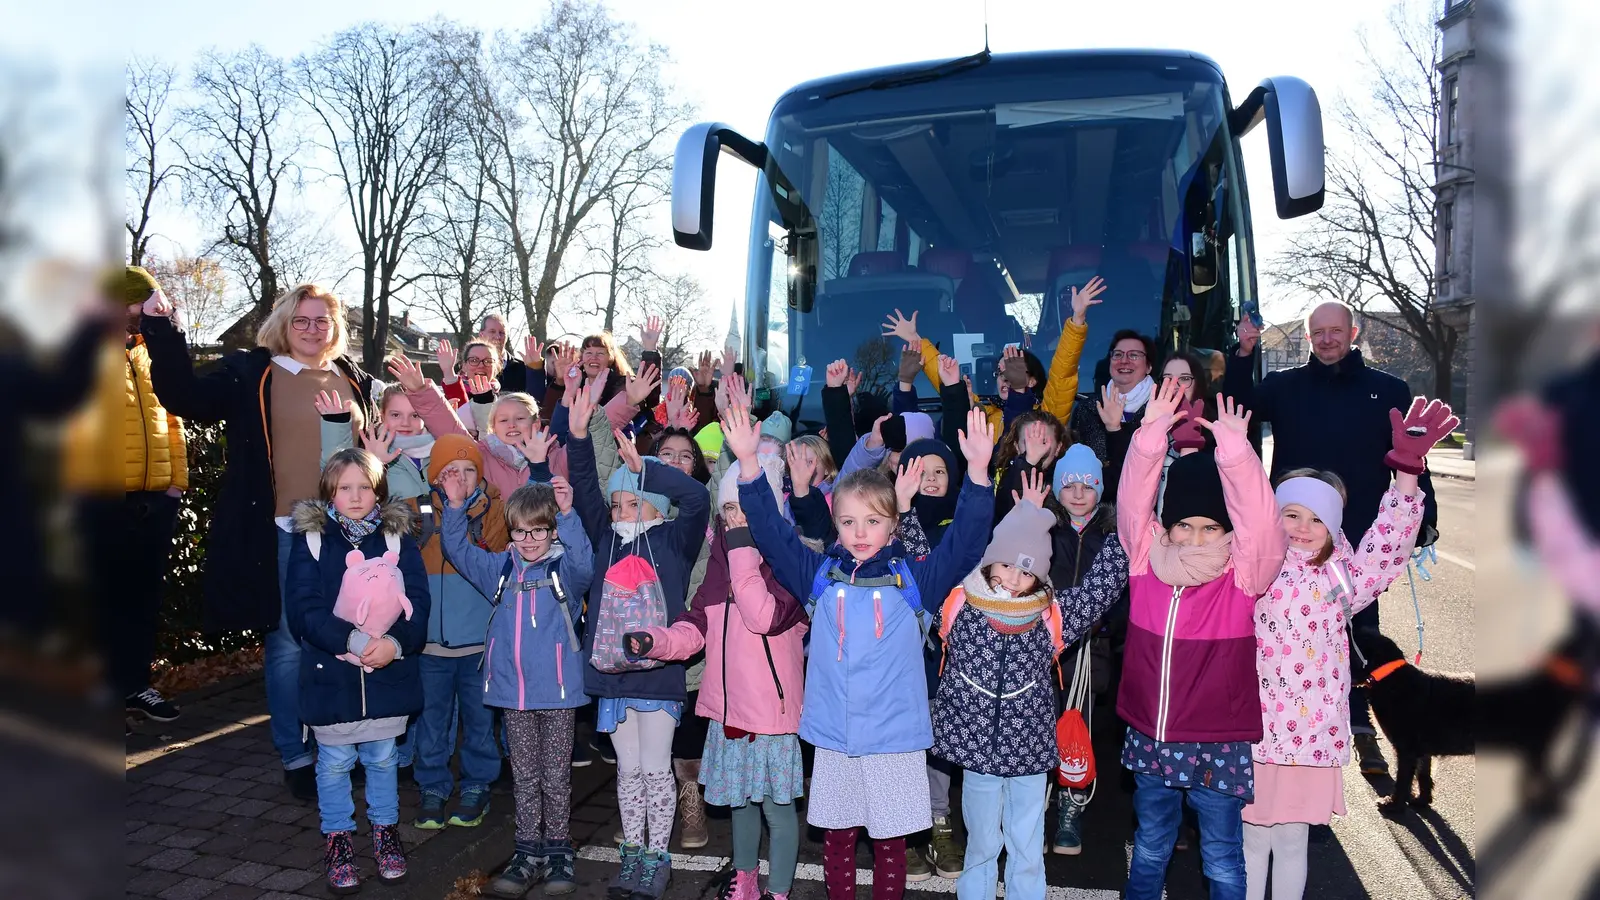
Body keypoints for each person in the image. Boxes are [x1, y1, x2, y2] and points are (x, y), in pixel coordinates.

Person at [728, 404, 997, 900]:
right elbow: (772, 533)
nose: (858, 532)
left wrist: (978, 475)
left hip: (894, 740)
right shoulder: (820, 576)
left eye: (872, 520)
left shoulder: (914, 579)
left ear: (892, 524)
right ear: (835, 523)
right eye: (848, 521)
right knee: (837, 840)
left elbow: (965, 544)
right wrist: (749, 465)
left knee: (891, 846)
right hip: (834, 738)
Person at [141, 283, 375, 800]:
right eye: (302, 321)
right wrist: (162, 330)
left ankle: (339, 742)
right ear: (284, 325)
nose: (313, 330)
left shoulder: (352, 377)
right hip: (284, 531)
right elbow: (183, 396)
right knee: (290, 645)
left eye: (322, 320)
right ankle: (296, 754)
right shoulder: (252, 372)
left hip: (344, 534)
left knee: (344, 640)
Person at [1242, 397, 1452, 900]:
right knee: (1249, 840)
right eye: (1290, 514)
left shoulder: (1343, 577)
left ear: (1333, 527)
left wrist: (1406, 472)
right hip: (1253, 733)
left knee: (1293, 841)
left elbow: (1387, 544)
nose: (1300, 527)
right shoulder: (1254, 569)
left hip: (1309, 737)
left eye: (1315, 520)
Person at [1225, 301, 1440, 775]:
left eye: (1335, 330)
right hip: (1294, 543)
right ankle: (1283, 742)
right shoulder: (1283, 387)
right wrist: (1243, 354)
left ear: (1353, 331)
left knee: (1361, 634)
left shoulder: (1388, 389)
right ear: (1308, 337)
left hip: (1358, 540)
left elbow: (1411, 451)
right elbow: (1236, 410)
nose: (1326, 339)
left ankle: (1361, 723)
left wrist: (1425, 517)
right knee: (1288, 640)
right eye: (1317, 332)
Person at [1117, 381, 1288, 900]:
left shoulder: (1244, 575)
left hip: (1218, 742)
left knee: (1221, 857)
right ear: (1166, 527)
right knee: (1150, 845)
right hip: (1153, 737)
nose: (1194, 538)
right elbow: (1132, 501)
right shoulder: (1146, 564)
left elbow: (1261, 521)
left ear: (1228, 532)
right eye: (1183, 526)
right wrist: (1150, 435)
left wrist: (1235, 454)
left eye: (1210, 528)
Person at [935, 472, 1129, 900]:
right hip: (976, 752)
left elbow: (1102, 588)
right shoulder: (959, 603)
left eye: (1027, 571)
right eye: (1006, 564)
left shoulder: (1052, 614)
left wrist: (1128, 525)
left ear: (1041, 577)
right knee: (981, 847)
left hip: (1029, 755)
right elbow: (928, 563)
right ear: (990, 561)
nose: (1013, 578)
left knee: (1026, 848)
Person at [625, 454, 809, 900]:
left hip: (771, 714)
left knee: (777, 811)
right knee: (740, 804)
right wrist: (658, 641)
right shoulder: (719, 563)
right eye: (729, 510)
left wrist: (743, 547)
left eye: (744, 509)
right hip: (729, 712)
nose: (736, 520)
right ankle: (744, 880)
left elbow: (762, 615)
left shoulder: (791, 563)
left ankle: (779, 892)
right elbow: (696, 627)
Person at [565, 384, 711, 900]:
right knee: (628, 772)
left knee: (655, 769)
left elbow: (698, 497)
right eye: (618, 504)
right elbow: (584, 488)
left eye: (634, 503)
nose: (622, 510)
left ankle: (657, 857)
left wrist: (649, 470)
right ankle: (632, 855)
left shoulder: (675, 540)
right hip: (612, 675)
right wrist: (579, 436)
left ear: (654, 506)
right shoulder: (605, 542)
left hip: (661, 676)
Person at [438, 467, 594, 897]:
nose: (529, 540)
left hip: (559, 694)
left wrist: (567, 514)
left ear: (551, 530)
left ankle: (559, 852)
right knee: (524, 776)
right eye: (520, 532)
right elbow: (457, 550)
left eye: (538, 531)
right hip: (513, 694)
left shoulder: (567, 570)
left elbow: (586, 561)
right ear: (510, 533)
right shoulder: (500, 570)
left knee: (556, 776)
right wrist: (454, 508)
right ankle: (527, 853)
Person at [284, 448, 429, 894]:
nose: (355, 495)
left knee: (384, 760)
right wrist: (352, 640)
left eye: (364, 487)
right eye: (345, 487)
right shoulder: (311, 540)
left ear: (378, 491)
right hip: (333, 677)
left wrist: (395, 644)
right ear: (330, 490)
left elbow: (419, 601)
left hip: (387, 675)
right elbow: (303, 610)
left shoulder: (395, 538)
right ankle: (339, 841)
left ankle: (386, 835)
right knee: (334, 763)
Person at [71, 266, 190, 724]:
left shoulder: (150, 353)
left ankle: (134, 684)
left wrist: (177, 480)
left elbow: (173, 419)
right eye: (145, 304)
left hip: (157, 497)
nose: (151, 311)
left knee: (143, 598)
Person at [1045, 443, 1116, 855]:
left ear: (1099, 489)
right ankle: (1037, 803)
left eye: (1087, 485)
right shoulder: (1045, 527)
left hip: (1092, 650)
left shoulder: (1111, 536)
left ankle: (1071, 807)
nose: (1077, 493)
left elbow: (1123, 595)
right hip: (1045, 649)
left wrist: (1105, 622)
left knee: (1079, 730)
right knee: (1040, 726)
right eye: (1068, 484)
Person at [1069, 329, 1158, 503]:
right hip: (1093, 511)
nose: (1124, 361)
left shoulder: (1158, 408)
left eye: (1134, 355)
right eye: (1117, 355)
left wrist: (1115, 429)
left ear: (1148, 366)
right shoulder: (1088, 409)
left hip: (1144, 509)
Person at [478, 313, 527, 395]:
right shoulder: (469, 367)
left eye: (502, 333)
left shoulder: (522, 369)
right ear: (481, 334)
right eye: (492, 331)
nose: (498, 337)